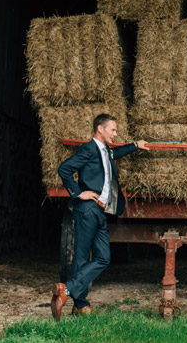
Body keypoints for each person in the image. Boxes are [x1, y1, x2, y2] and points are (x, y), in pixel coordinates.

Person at [50, 114, 149, 320]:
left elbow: (118, 152)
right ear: (100, 129)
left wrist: (135, 145)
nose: (115, 133)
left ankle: (66, 290)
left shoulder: (106, 151)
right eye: (112, 130)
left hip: (100, 210)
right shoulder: (88, 149)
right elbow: (64, 169)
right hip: (87, 208)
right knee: (81, 256)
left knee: (104, 257)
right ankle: (80, 304)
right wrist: (79, 193)